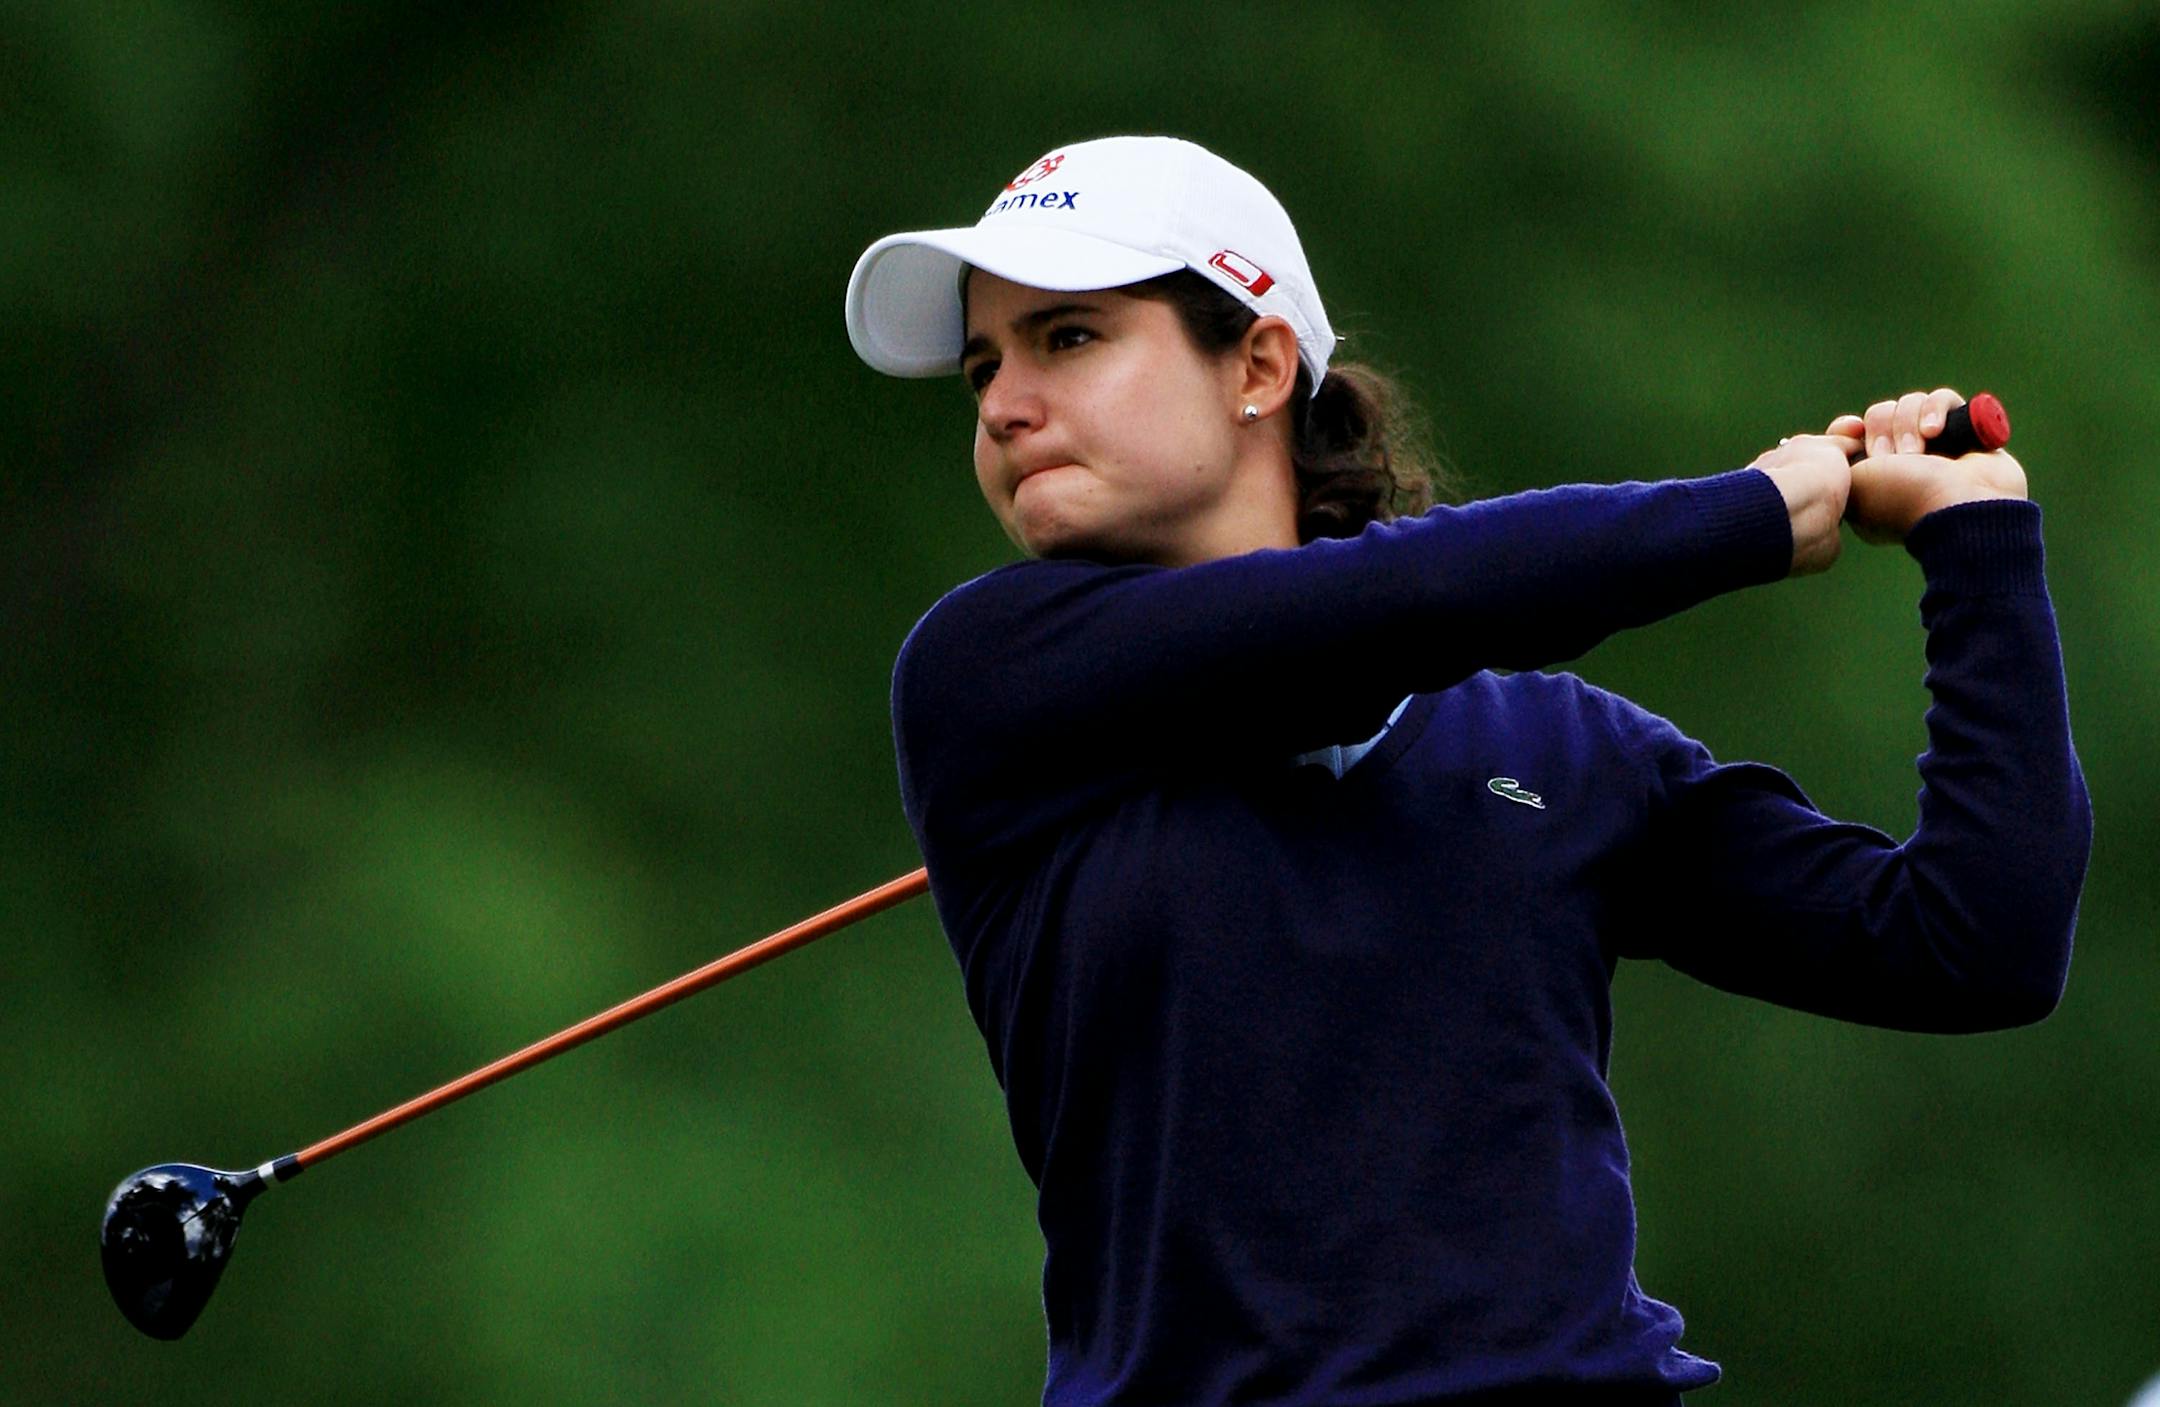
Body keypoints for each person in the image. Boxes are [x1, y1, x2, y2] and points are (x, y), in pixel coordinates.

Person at [844, 135, 2091, 1406]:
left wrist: (1979, 544)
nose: (1003, 404)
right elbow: (1375, 619)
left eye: (1067, 338)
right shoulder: (990, 678)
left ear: (1258, 366)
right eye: (983, 366)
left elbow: (1973, 945)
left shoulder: (1560, 752)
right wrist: (1753, 510)